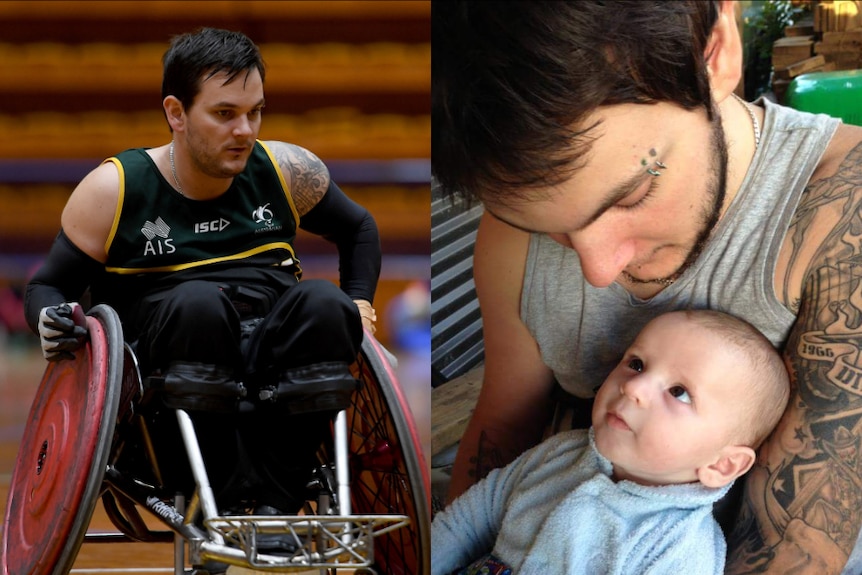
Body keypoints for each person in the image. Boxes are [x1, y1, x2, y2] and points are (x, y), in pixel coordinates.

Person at [432, 1, 862, 573]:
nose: (598, 269)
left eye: (632, 194)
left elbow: (795, 547)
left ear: (715, 48)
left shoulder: (843, 217)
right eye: (550, 230)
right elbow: (502, 433)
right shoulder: (507, 234)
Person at [24, 27, 380, 526]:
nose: (245, 130)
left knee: (326, 304)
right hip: (168, 373)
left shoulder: (285, 169)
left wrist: (359, 301)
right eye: (225, 114)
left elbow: (359, 227)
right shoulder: (114, 189)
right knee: (198, 304)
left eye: (255, 111)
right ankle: (224, 500)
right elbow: (46, 286)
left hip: (273, 358)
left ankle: (278, 506)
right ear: (176, 113)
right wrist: (49, 319)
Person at [432, 310, 790, 575]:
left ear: (721, 465)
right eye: (636, 364)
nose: (633, 387)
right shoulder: (559, 452)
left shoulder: (679, 549)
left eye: (679, 393)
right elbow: (468, 521)